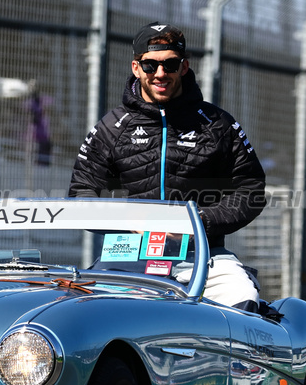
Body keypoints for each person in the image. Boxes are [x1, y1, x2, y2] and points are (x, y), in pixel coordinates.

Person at [69, 22, 266, 307]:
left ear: (184, 67)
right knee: (87, 308)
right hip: (128, 255)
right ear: (136, 68)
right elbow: (81, 193)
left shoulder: (218, 124)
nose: (160, 74)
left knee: (243, 298)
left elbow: (251, 190)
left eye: (170, 65)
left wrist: (199, 221)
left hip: (202, 255)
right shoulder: (112, 127)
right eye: (150, 66)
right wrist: (126, 221)